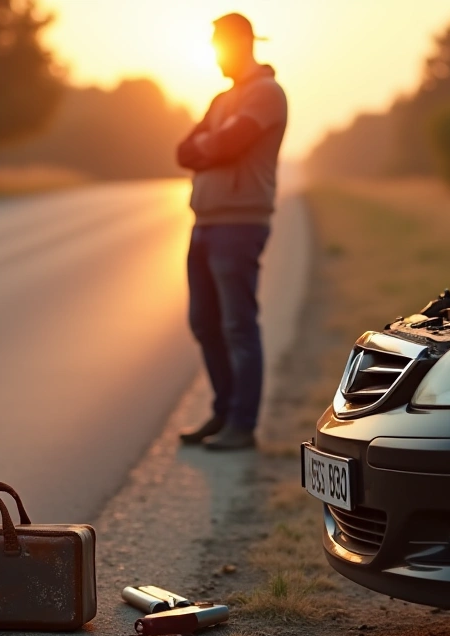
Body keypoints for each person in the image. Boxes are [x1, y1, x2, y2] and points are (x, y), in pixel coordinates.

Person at [176, 12, 288, 451]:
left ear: (241, 42)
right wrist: (213, 145)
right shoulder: (222, 99)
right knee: (204, 322)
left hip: (240, 223)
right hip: (204, 223)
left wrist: (212, 144)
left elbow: (227, 144)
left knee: (238, 325)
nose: (214, 55)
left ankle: (242, 425)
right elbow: (184, 151)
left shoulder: (267, 93)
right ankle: (223, 413)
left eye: (218, 46)